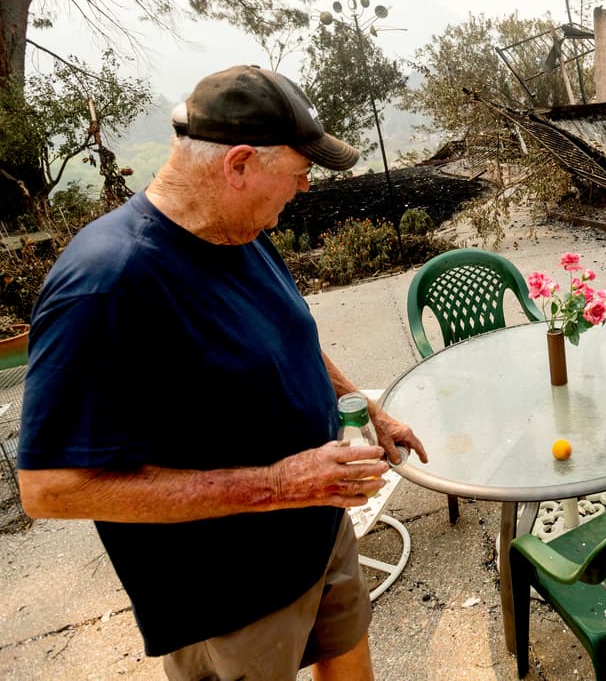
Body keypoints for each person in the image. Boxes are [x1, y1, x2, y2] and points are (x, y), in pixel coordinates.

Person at [17, 64, 428, 681]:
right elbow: (50, 489)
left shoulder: (241, 229)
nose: (305, 189)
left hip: (318, 532)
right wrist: (282, 486)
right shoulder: (108, 283)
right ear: (238, 165)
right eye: (298, 173)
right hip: (227, 596)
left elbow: (291, 337)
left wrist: (365, 408)